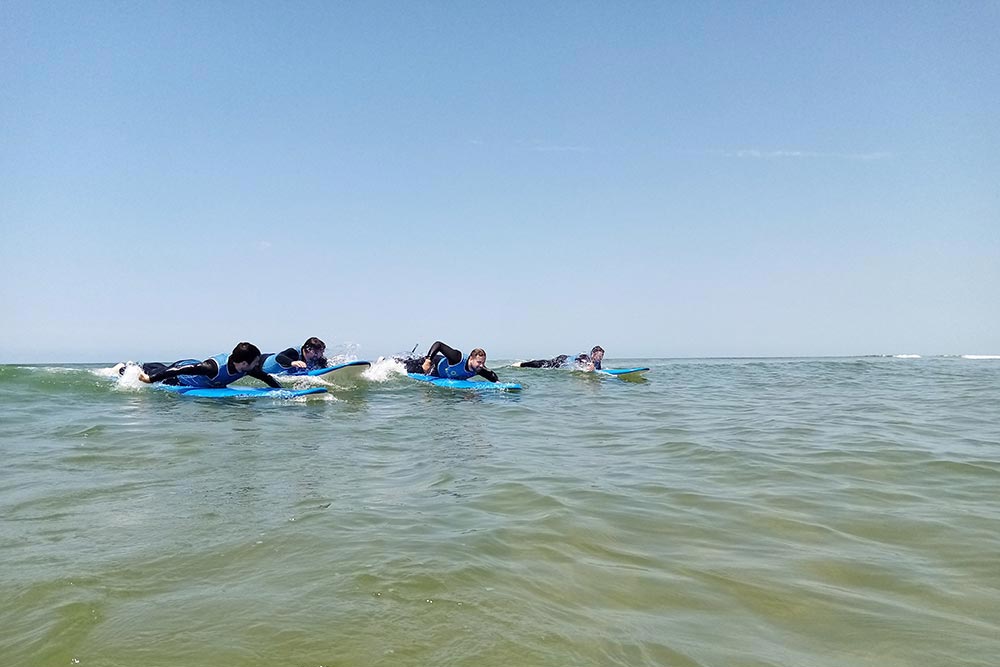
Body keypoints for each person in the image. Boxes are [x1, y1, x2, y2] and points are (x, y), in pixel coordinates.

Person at [114, 342, 281, 388]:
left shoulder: (246, 369)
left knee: (158, 367)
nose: (258, 364)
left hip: (193, 370)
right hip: (181, 376)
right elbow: (179, 370)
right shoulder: (212, 368)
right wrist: (150, 380)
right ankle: (121, 369)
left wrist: (282, 392)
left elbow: (266, 378)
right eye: (256, 361)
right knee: (154, 371)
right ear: (244, 363)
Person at [398, 341, 498, 382]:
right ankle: (394, 360)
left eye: (483, 362)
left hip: (440, 375)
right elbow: (438, 344)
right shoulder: (457, 358)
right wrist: (428, 361)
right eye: (479, 362)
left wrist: (498, 383)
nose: (481, 365)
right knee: (402, 367)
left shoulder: (478, 369)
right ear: (471, 359)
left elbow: (491, 375)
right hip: (433, 365)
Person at [261, 337, 328, 374]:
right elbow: (279, 357)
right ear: (309, 349)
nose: (320, 355)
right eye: (317, 352)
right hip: (262, 363)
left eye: (322, 352)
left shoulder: (317, 359)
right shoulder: (293, 353)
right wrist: (292, 362)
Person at [514, 345, 605, 371]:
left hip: (565, 362)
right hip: (562, 360)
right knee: (544, 364)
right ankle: (522, 364)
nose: (600, 358)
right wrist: (587, 366)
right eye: (599, 356)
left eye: (602, 356)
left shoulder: (597, 362)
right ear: (593, 354)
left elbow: (598, 370)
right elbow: (579, 361)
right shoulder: (585, 357)